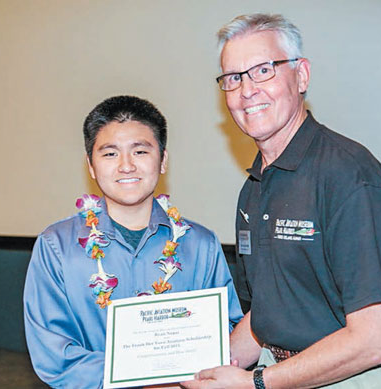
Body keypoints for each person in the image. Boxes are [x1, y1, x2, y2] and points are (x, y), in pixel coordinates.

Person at [184, 13, 381, 389]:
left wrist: (254, 383)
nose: (247, 90)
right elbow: (268, 315)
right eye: (233, 78)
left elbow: (377, 338)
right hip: (277, 370)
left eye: (263, 70)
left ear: (302, 75)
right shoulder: (254, 188)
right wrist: (197, 371)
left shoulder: (349, 174)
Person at [23, 95, 243, 388]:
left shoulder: (200, 245)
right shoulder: (56, 247)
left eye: (140, 151)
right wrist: (145, 379)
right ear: (90, 165)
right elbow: (54, 356)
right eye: (110, 154)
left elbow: (225, 332)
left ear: (162, 160)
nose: (126, 166)